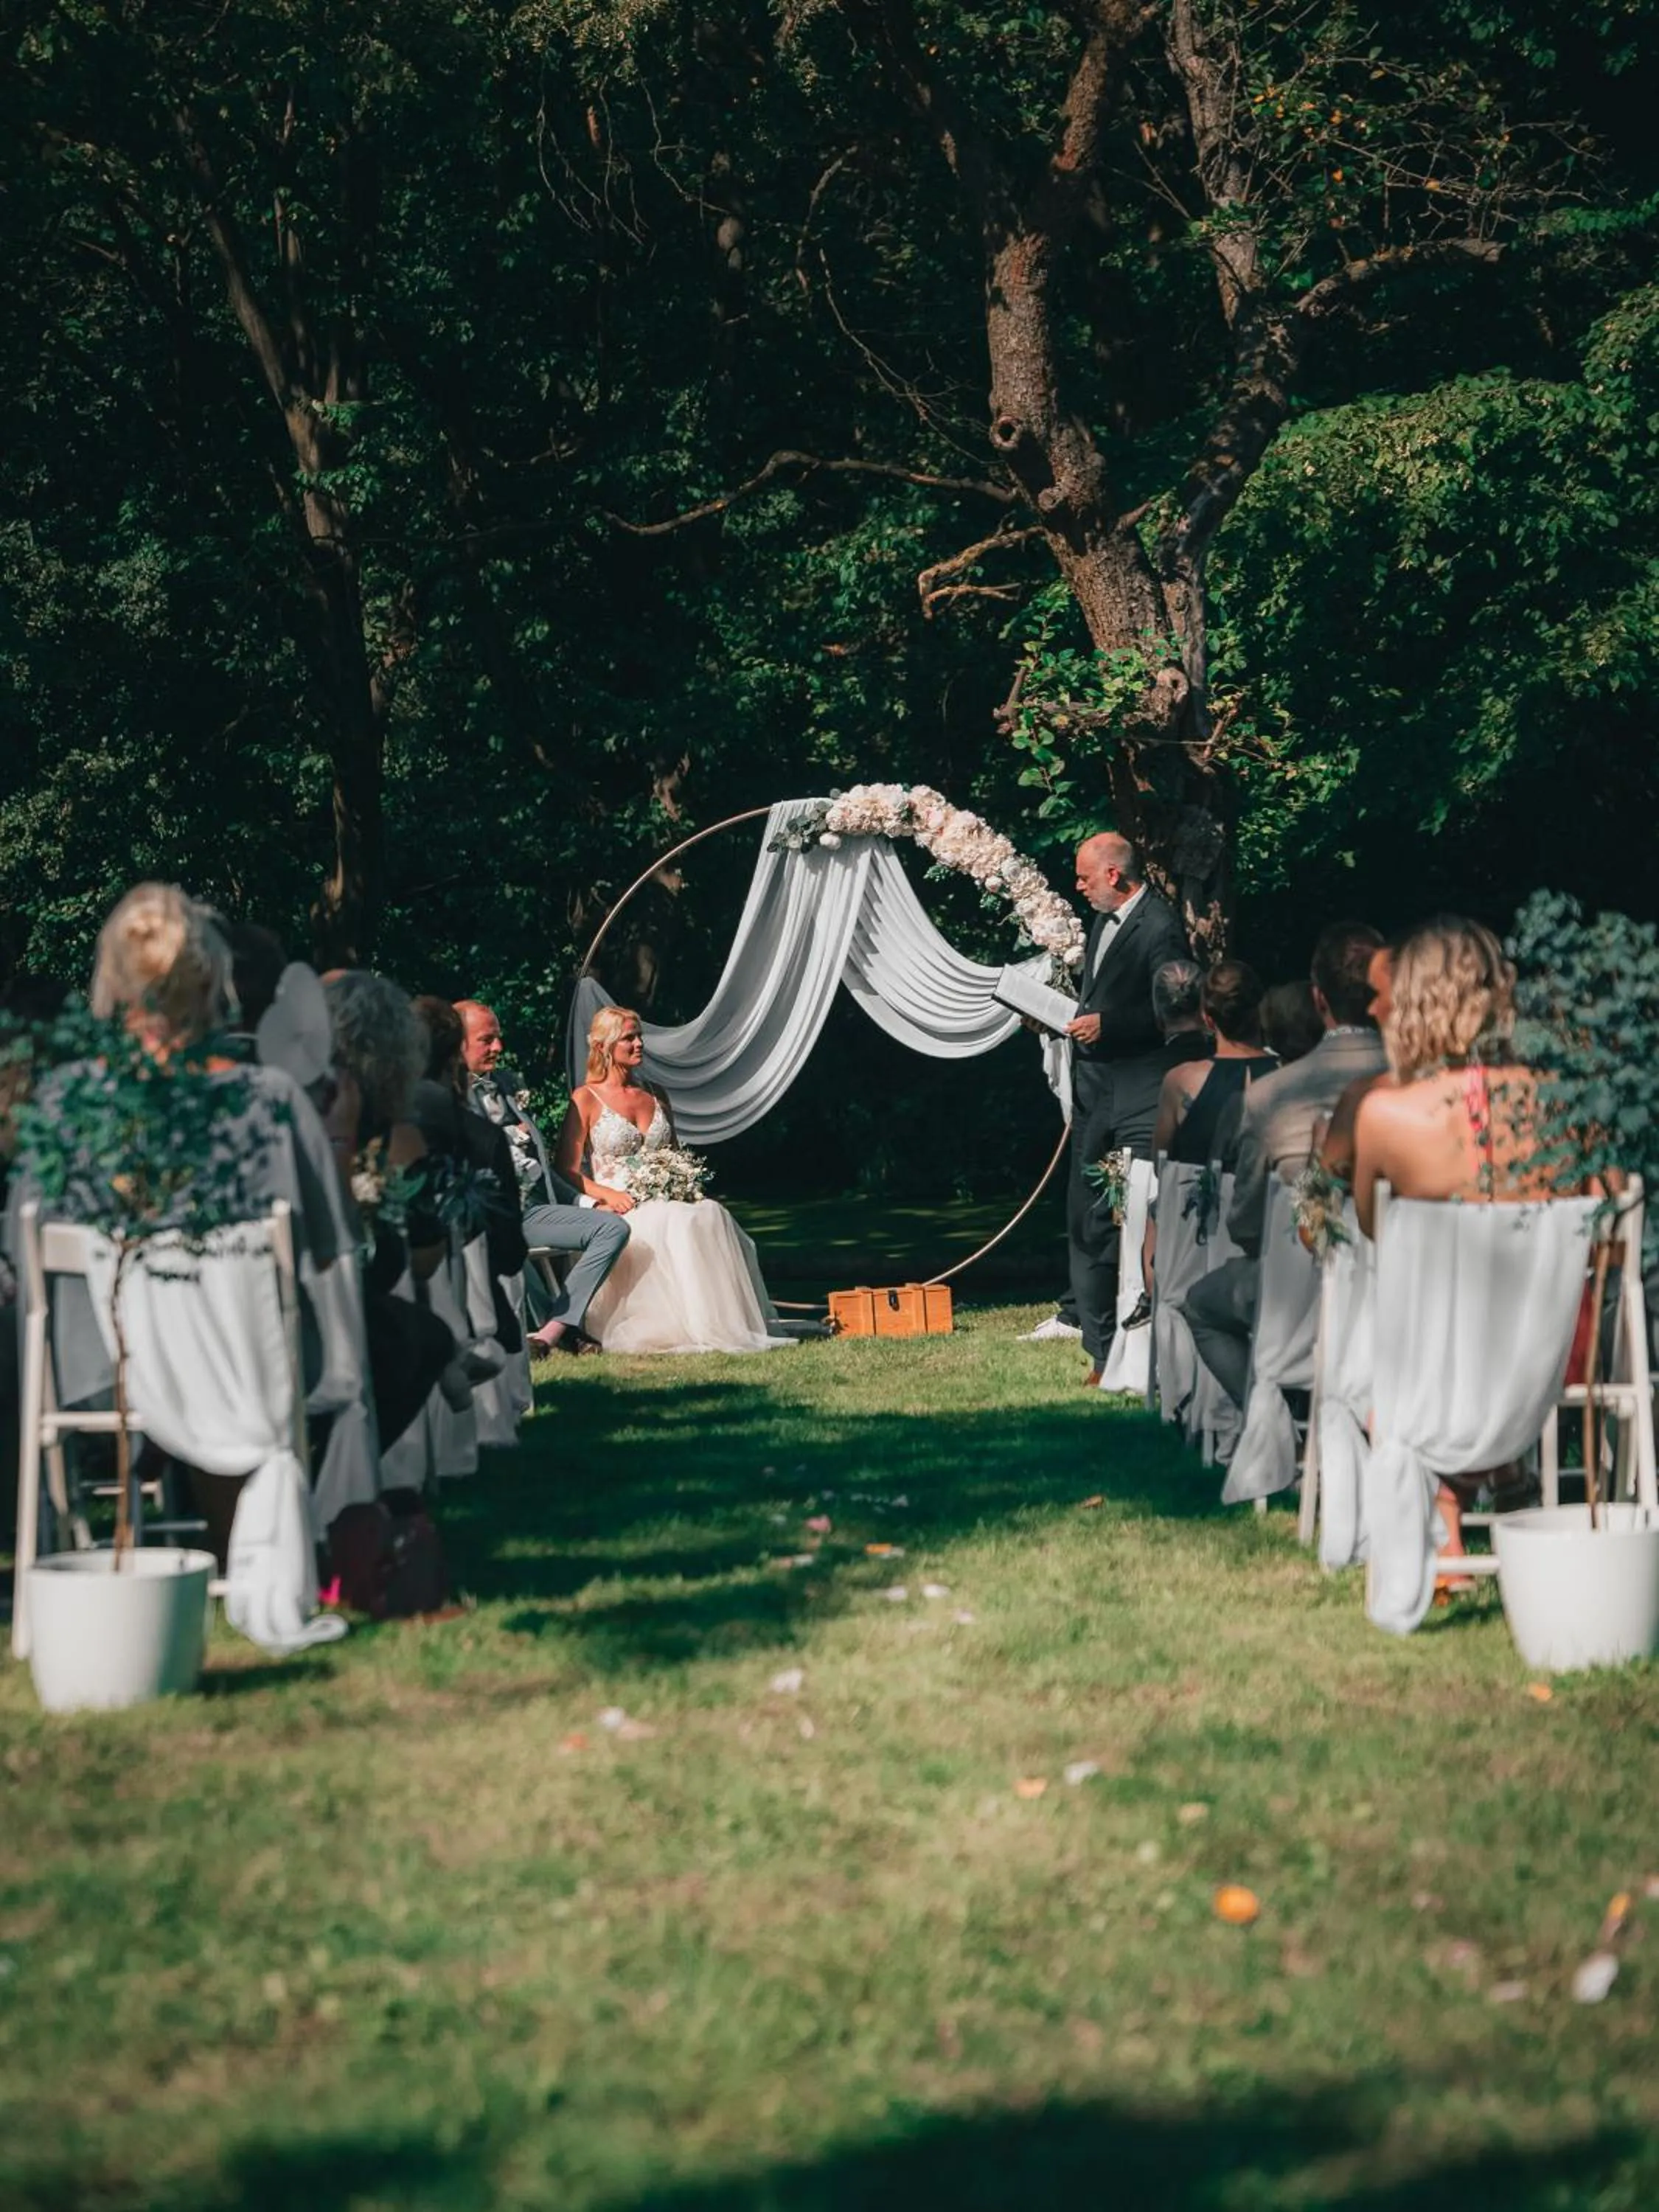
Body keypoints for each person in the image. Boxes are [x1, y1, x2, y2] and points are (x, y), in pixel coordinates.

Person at [1353, 917, 1576, 1573]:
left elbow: (1373, 1230)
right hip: (1549, 1357)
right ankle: (1504, 1477)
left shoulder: (1386, 1115)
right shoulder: (1562, 1105)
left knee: (1407, 1321)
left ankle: (1446, 1530)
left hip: (1431, 1373)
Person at [1177, 922, 1388, 1413]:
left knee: (1202, 1306)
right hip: (1412, 1293)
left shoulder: (1270, 1097)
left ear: (1319, 1000)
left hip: (1306, 1300)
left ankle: (1279, 1425)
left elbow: (1248, 1225)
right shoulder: (1422, 1082)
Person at [557, 1005, 785, 1354]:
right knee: (675, 1222)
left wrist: (683, 1183)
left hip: (666, 1195)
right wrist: (606, 1195)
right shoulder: (586, 1098)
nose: (638, 1044)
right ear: (605, 1046)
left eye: (639, 1037)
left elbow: (675, 1154)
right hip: (620, 1204)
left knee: (709, 1214)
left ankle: (713, 1324)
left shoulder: (655, 1093)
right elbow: (566, 1168)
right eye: (629, 1038)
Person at [1063, 833, 1191, 1385]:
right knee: (1085, 1215)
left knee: (1138, 1214)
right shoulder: (1103, 919)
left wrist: (1109, 1025)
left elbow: (1173, 1004)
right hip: (1095, 1090)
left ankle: (1139, 1347)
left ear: (1114, 875)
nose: (1079, 886)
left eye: (1085, 878)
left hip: (1139, 1090)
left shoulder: (1160, 925)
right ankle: (1098, 1346)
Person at [456, 994, 628, 1354]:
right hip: (480, 1218)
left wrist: (586, 1201)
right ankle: (566, 1333)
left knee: (612, 1227)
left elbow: (539, 1166)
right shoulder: (442, 1095)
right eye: (487, 1040)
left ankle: (551, 1331)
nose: (498, 1046)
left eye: (498, 1037)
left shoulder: (506, 1083)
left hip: (530, 1209)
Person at [1153, 959, 1273, 1168]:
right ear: (1261, 1010)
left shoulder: (1181, 1081)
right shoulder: (1289, 1074)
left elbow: (1160, 1164)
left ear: (1207, 1019)